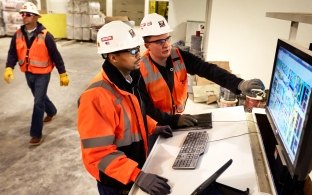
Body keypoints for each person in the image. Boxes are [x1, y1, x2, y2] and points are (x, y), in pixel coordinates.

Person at [77, 21, 172, 195]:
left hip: (131, 170)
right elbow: (98, 153)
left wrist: (152, 126)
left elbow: (131, 117)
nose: (140, 55)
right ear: (113, 57)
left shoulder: (129, 80)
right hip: (116, 182)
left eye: (137, 48)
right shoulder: (96, 96)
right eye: (133, 51)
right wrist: (136, 175)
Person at [138, 13, 265, 128]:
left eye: (167, 38)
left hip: (174, 123)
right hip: (154, 129)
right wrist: (173, 120)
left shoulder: (178, 56)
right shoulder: (139, 69)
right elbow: (146, 108)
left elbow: (208, 70)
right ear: (147, 45)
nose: (166, 44)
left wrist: (239, 84)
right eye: (160, 41)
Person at [2, 2, 69, 146]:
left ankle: (35, 133)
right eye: (23, 14)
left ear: (35, 17)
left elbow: (56, 56)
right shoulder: (18, 34)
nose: (24, 17)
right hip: (28, 72)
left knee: (38, 102)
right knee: (40, 96)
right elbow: (12, 53)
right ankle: (51, 110)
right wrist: (9, 67)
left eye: (28, 14)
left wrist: (62, 73)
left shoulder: (46, 36)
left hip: (43, 74)